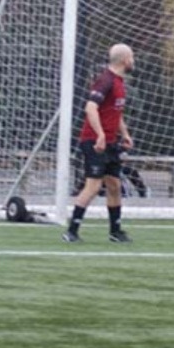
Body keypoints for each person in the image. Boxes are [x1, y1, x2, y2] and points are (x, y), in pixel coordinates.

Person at [62, 43, 136, 243]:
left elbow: (115, 112)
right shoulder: (105, 80)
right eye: (132, 57)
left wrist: (125, 134)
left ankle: (115, 232)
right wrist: (100, 135)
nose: (133, 60)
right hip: (94, 142)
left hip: (110, 143)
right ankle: (72, 231)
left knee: (114, 185)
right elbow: (91, 108)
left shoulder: (120, 82)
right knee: (93, 187)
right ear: (125, 60)